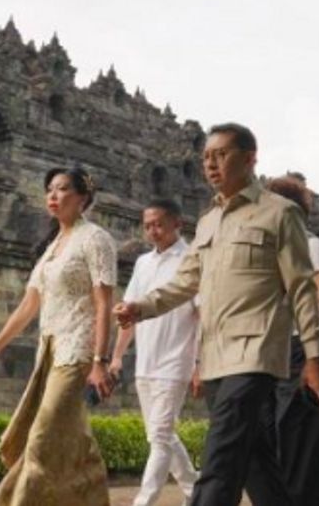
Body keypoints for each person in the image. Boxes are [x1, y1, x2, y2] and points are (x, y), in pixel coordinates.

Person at [114, 122, 319, 506]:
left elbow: (302, 288)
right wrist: (140, 307)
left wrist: (316, 357)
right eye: (206, 157)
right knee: (253, 458)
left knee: (220, 457)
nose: (211, 164)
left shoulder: (280, 214)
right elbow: (185, 282)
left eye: (221, 155)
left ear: (250, 159)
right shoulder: (207, 222)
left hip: (256, 352)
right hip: (216, 354)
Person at [0, 166, 118, 506]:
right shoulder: (51, 247)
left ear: (82, 197)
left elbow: (103, 304)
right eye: (49, 189)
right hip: (49, 350)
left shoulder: (96, 239)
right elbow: (29, 305)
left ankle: (14, 500)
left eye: (63, 189)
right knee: (71, 437)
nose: (53, 195)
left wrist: (100, 361)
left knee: (42, 434)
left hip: (78, 350)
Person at [265, 174, 319, 505]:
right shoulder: (277, 249)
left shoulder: (313, 247)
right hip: (278, 352)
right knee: (280, 443)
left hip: (309, 351)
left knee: (302, 448)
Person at [109, 198, 201, 506]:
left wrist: (200, 363)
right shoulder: (142, 263)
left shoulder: (192, 259)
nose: (153, 231)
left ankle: (143, 501)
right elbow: (129, 314)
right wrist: (117, 356)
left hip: (176, 361)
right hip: (146, 361)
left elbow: (203, 316)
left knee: (160, 438)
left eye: (159, 224)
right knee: (160, 435)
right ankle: (195, 490)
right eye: (148, 226)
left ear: (178, 224)